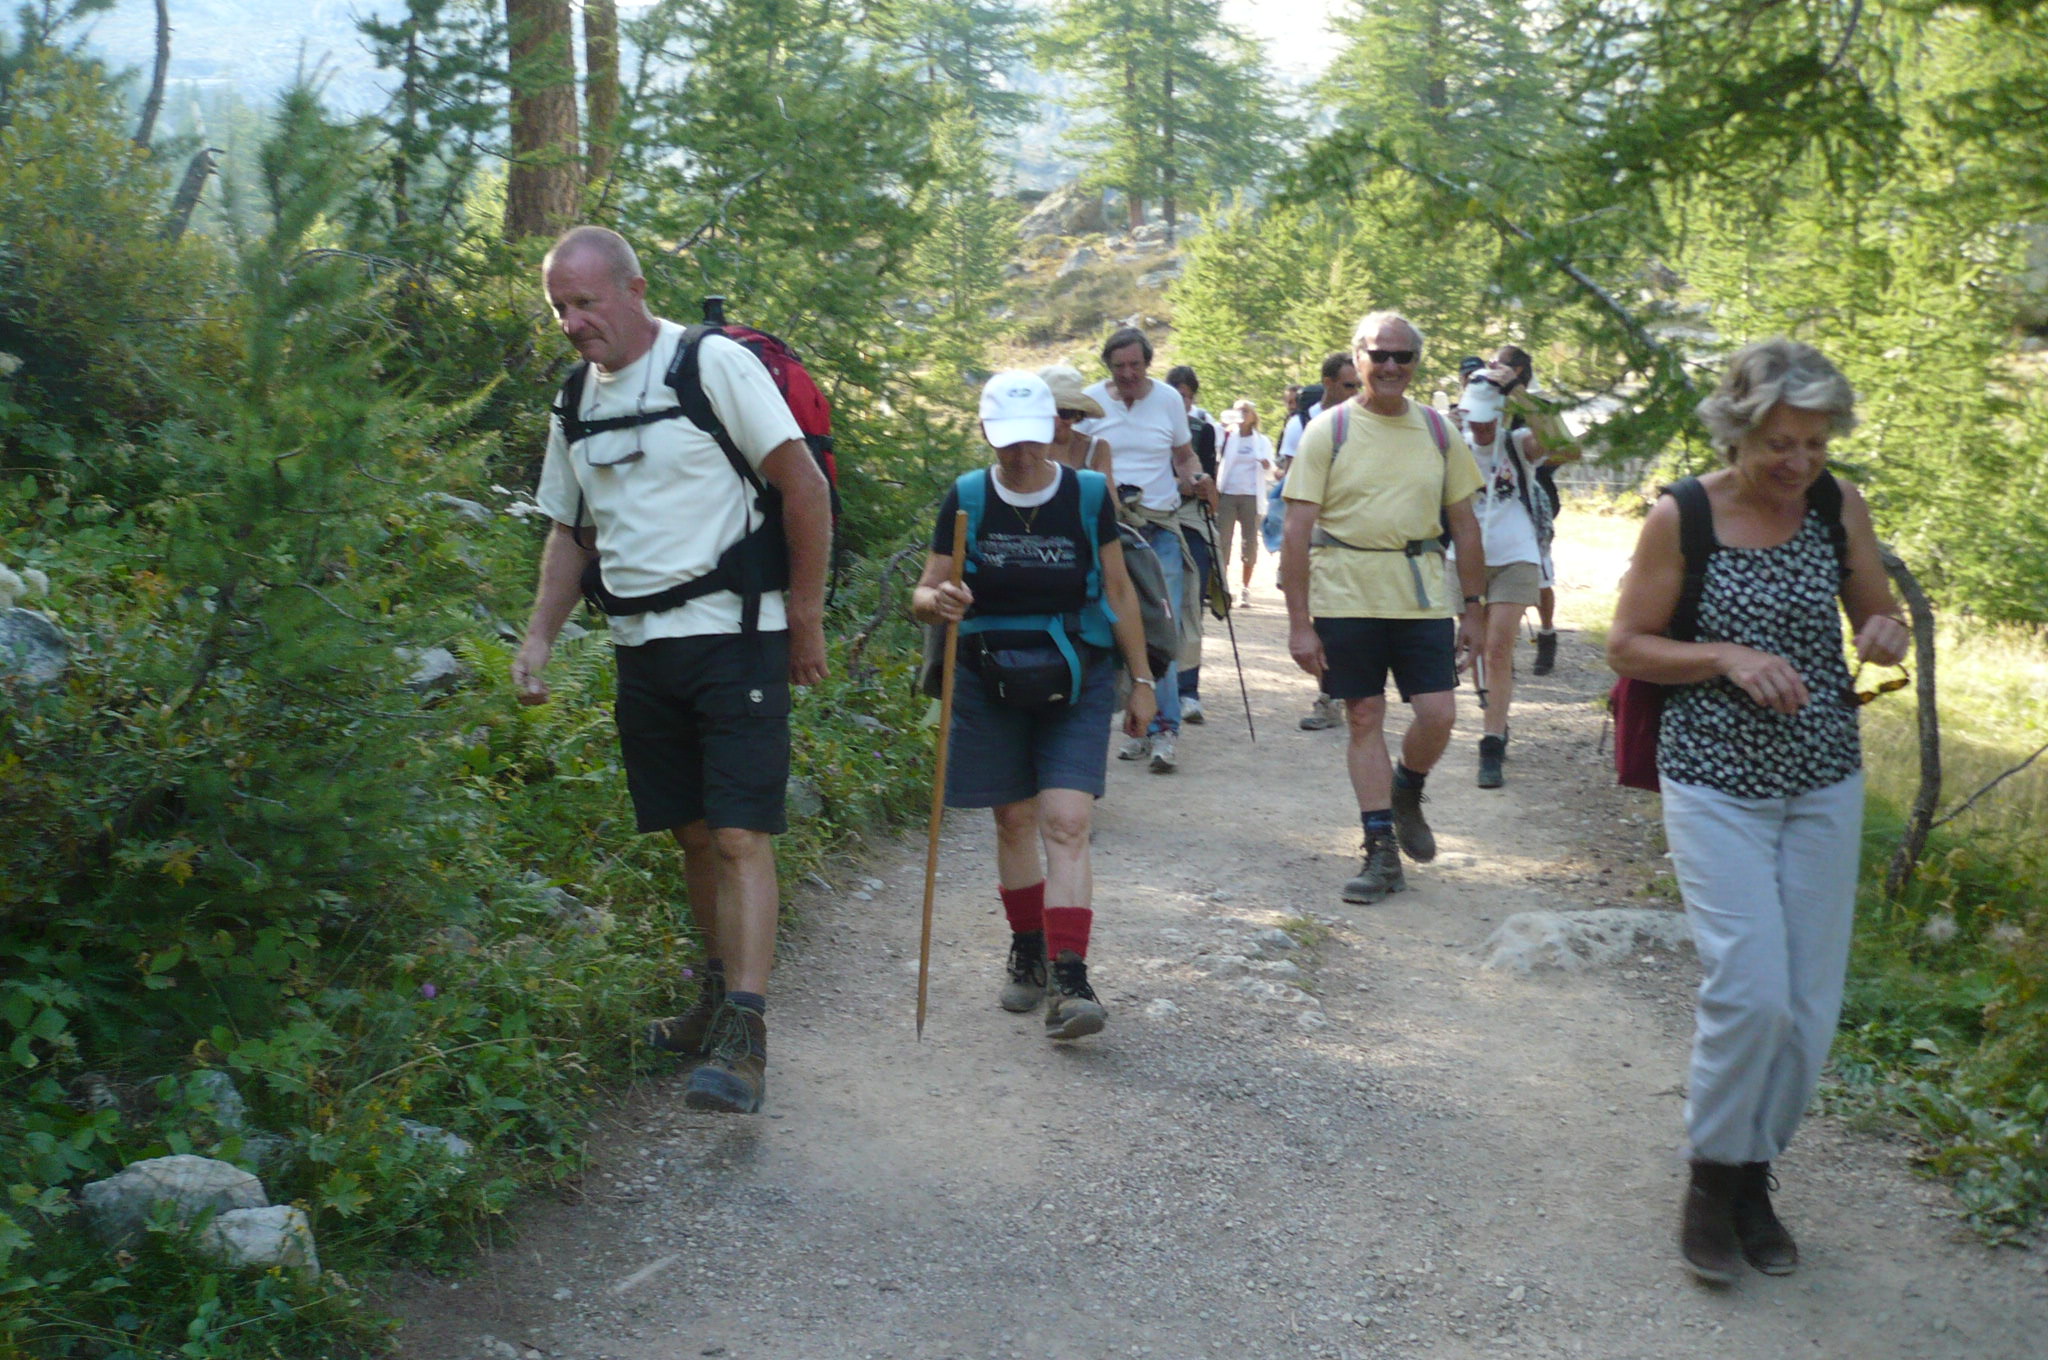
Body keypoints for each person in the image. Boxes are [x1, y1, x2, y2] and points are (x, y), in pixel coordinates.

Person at [512, 226, 833, 1116]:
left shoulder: (711, 365)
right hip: (642, 649)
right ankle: (711, 1001)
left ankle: (746, 1031)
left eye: (586, 302)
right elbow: (570, 533)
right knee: (693, 836)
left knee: (739, 835)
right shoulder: (575, 400)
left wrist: (803, 616)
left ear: (634, 287)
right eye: (560, 308)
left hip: (737, 635)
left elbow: (802, 485)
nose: (574, 323)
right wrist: (539, 634)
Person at [1607, 338, 1908, 1285]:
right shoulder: (1683, 515)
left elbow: (1876, 614)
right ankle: (1708, 1177)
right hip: (1714, 779)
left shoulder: (1835, 502)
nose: (1799, 464)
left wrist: (1883, 628)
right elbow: (1627, 645)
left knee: (1810, 1007)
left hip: (1823, 774)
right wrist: (1727, 656)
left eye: (1816, 444)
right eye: (1780, 443)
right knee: (1751, 987)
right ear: (1738, 430)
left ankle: (1754, 1178)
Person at [911, 371, 1159, 1041]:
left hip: (1075, 670)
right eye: (1006, 443)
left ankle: (1071, 976)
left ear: (1054, 429)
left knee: (1067, 821)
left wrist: (1142, 681)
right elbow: (925, 592)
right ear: (989, 435)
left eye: (1031, 441)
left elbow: (1118, 589)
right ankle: (1028, 949)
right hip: (989, 675)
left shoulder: (1084, 494)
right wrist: (940, 602)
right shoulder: (965, 496)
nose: (1021, 457)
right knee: (1014, 820)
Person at [1279, 311, 1485, 905]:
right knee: (1363, 716)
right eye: (1380, 355)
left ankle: (1407, 789)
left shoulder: (1440, 433)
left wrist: (1474, 609)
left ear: (1418, 362)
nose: (1392, 366)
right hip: (1344, 591)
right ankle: (1379, 850)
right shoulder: (1329, 431)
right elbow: (1297, 529)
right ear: (1358, 358)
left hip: (1418, 592)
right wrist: (1299, 624)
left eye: (1404, 356)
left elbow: (1465, 526)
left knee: (1439, 713)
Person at [1077, 328, 1216, 773]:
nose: (1128, 374)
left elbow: (1183, 455)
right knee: (1115, 629)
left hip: (1158, 527)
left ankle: (1164, 731)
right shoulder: (1090, 402)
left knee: (1164, 627)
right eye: (1119, 367)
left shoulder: (1169, 401)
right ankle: (1137, 723)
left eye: (1135, 365)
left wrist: (1197, 477)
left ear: (1148, 364)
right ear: (1108, 368)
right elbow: (1071, 458)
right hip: (1106, 530)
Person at [1450, 351, 1552, 788]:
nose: (1482, 428)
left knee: (1497, 648)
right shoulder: (1454, 442)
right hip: (1466, 558)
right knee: (1474, 647)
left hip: (1516, 554)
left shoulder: (1519, 442)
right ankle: (1494, 709)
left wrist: (1520, 393)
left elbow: (1566, 443)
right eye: (1476, 419)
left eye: (1490, 419)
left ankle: (1491, 743)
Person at [1277, 353, 1363, 731]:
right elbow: (1292, 486)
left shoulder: (1364, 422)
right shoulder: (1302, 425)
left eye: (1358, 385)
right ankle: (1330, 696)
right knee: (1322, 616)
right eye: (1349, 385)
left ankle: (1348, 693)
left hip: (1355, 530)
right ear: (1328, 384)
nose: (1357, 392)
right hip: (1314, 531)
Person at [1165, 364, 1217, 725]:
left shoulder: (1204, 431)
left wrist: (1201, 486)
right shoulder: (1152, 431)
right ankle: (1158, 688)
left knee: (1192, 602)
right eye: (1176, 395)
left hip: (1193, 522)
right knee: (1159, 606)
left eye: (1186, 396)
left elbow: (1210, 482)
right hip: (1155, 519)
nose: (1182, 401)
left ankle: (1189, 690)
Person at [1214, 399, 1275, 606]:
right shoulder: (1227, 436)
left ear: (1253, 416)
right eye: (1238, 411)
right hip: (1228, 494)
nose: (1241, 414)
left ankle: (1245, 588)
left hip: (1251, 495)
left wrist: (1267, 464)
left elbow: (1270, 469)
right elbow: (1214, 448)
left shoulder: (1262, 441)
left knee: (1249, 543)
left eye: (1245, 411)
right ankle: (1222, 586)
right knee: (1223, 541)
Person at [1040, 363, 1111, 478]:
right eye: (1050, 413)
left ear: (1077, 415)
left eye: (1065, 413)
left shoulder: (1097, 448)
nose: (1057, 420)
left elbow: (1108, 494)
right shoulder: (1028, 449)